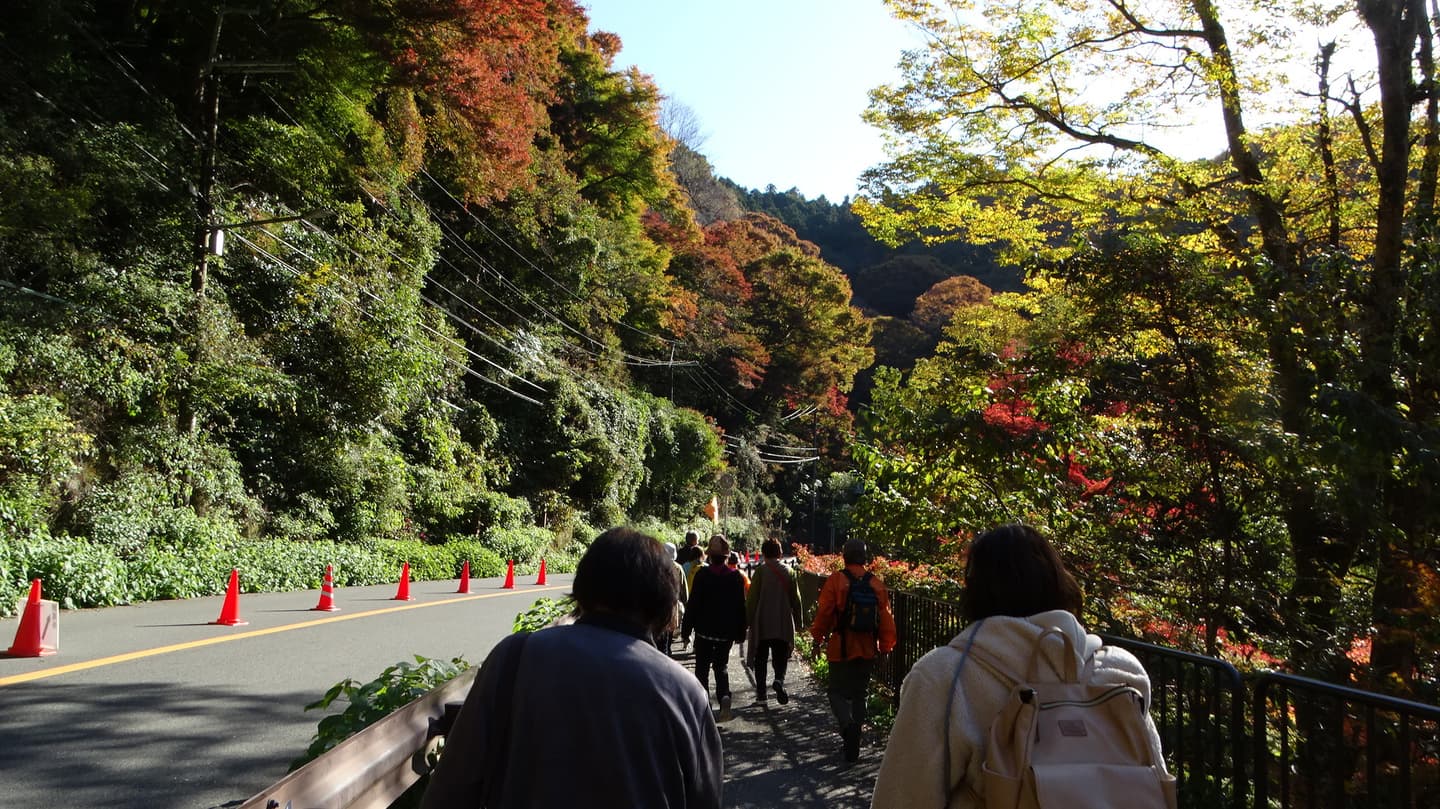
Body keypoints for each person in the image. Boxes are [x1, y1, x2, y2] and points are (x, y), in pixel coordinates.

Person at [419, 527, 723, 809]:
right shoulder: (685, 693)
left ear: (582, 587)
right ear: (663, 605)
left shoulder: (514, 657)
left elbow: (451, 788)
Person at [870, 524, 1166, 809]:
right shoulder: (1120, 672)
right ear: (1058, 581)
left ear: (975, 590)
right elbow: (1156, 776)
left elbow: (903, 796)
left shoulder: (945, 677)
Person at [810, 538, 897, 764]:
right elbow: (886, 620)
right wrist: (885, 648)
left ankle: (847, 726)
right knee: (860, 693)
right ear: (864, 557)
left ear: (845, 556)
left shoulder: (836, 581)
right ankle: (856, 730)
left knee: (836, 692)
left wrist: (817, 640)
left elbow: (824, 614)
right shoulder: (876, 584)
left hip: (840, 647)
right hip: (867, 648)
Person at [682, 533, 748, 721]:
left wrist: (686, 631)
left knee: (701, 668)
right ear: (727, 556)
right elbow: (740, 606)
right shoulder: (735, 577)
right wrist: (741, 631)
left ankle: (704, 705)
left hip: (704, 630)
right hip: (725, 632)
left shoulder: (702, 575)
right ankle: (724, 696)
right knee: (721, 666)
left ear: (709, 555)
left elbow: (693, 604)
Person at [745, 538, 803, 704]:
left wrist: (746, 621)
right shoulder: (789, 572)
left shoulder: (760, 572)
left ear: (763, 553)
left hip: (762, 623)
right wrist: (799, 622)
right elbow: (796, 599)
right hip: (782, 621)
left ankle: (761, 695)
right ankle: (779, 680)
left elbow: (752, 599)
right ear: (779, 553)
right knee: (780, 656)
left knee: (760, 659)